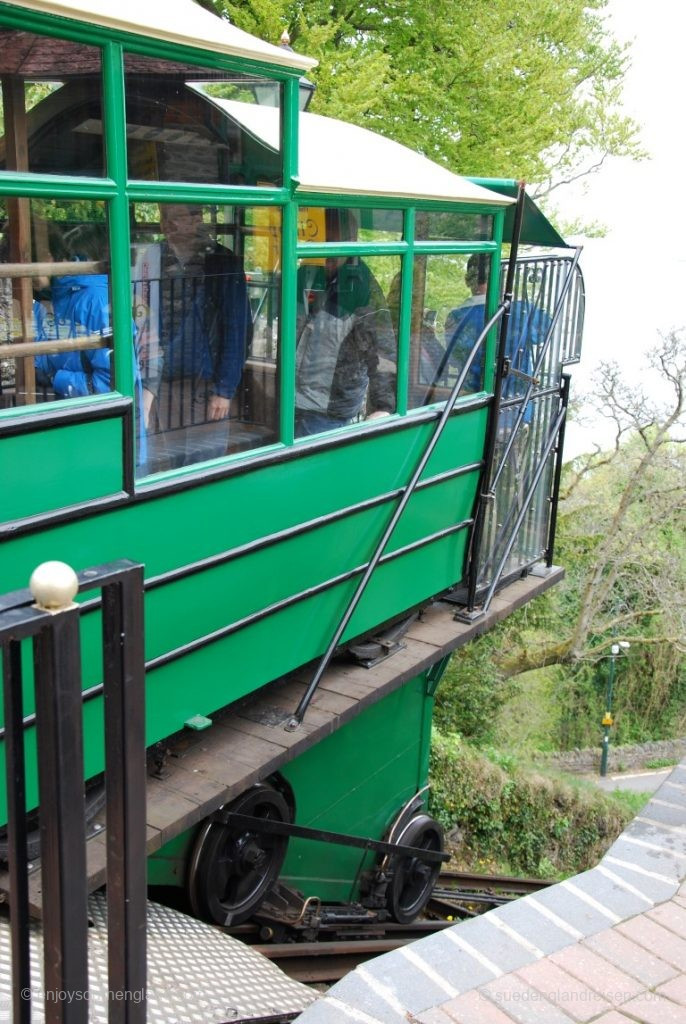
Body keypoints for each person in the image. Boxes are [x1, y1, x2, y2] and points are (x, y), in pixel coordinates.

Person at [294, 210, 396, 437]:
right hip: (289, 402)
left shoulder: (362, 288)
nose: (327, 251)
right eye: (322, 242)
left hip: (330, 412)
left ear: (352, 241)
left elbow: (382, 351)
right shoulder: (305, 275)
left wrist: (383, 407)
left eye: (334, 243)